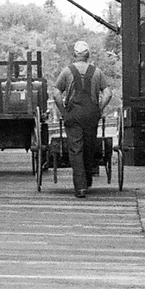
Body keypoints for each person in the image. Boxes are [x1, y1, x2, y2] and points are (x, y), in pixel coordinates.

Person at [50, 40, 111, 199]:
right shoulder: (97, 72)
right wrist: (100, 108)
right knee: (89, 146)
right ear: (88, 55)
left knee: (76, 149)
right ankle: (88, 179)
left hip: (74, 115)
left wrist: (63, 112)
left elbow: (56, 93)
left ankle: (80, 187)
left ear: (75, 55)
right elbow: (108, 93)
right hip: (91, 114)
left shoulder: (66, 72)